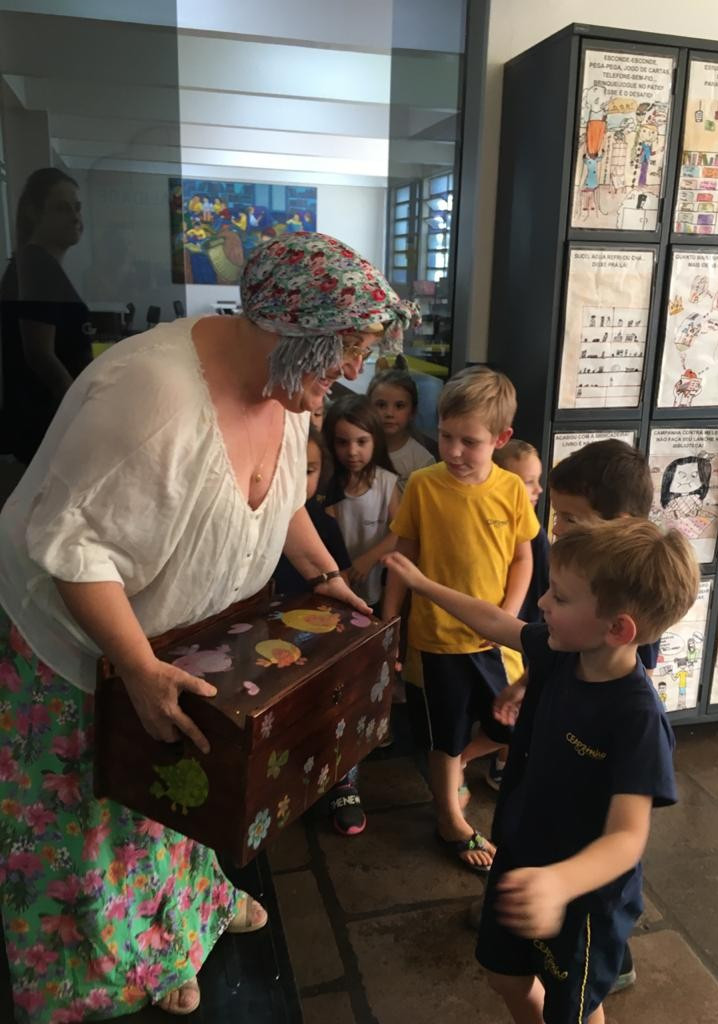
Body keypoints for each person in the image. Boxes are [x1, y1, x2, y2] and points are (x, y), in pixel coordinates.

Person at [0, 231, 418, 1021]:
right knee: (96, 823)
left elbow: (281, 499)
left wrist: (330, 582)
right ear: (292, 330)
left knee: (188, 788)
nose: (347, 376)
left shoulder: (284, 390)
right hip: (83, 647)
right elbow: (72, 550)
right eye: (343, 354)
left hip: (184, 641)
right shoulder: (151, 398)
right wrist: (137, 667)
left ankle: (187, 916)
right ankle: (128, 964)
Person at [383, 518, 699, 1024]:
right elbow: (494, 621)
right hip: (522, 855)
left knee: (572, 1009)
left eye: (560, 597)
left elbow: (627, 837)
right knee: (504, 975)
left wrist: (560, 883)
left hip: (584, 899)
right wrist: (422, 585)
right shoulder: (560, 654)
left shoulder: (637, 718)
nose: (543, 603)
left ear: (617, 629)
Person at [381, 366, 539, 872]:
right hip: (436, 642)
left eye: (469, 442)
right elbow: (403, 558)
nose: (452, 451)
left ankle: (461, 768)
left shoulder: (511, 490)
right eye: (446, 436)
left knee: (514, 723)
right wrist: (389, 626)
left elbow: (523, 557)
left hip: (496, 643)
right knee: (442, 737)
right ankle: (450, 817)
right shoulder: (423, 485)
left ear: (501, 439)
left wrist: (507, 617)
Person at [544, 437, 658, 994]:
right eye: (557, 515)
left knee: (610, 836)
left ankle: (611, 954)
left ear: (621, 526)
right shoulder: (580, 578)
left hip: (605, 750)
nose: (557, 528)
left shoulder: (624, 606)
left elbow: (634, 683)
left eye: (572, 518)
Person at [272, 426, 365, 836]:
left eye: (308, 471)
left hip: (317, 634)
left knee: (335, 701)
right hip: (267, 640)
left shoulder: (323, 523)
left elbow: (336, 575)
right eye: (288, 470)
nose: (298, 483)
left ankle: (344, 777)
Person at [0, 167, 93, 465]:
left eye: (77, 207)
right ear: (33, 213)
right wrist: (79, 412)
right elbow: (40, 355)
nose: (75, 217)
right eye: (62, 208)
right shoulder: (37, 265)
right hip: (46, 427)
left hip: (41, 427)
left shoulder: (33, 264)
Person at [480, 439, 550, 790]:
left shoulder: (533, 531)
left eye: (538, 480)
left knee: (516, 704)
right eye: (528, 482)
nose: (539, 490)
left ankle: (504, 760)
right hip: (506, 630)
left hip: (523, 628)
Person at [323, 394, 400, 610]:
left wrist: (369, 558)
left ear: (376, 440)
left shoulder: (386, 482)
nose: (352, 452)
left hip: (371, 585)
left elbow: (400, 531)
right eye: (342, 442)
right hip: (333, 583)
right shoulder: (326, 483)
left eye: (362, 442)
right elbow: (328, 536)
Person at [367, 366, 435, 491]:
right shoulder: (357, 448)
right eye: (381, 405)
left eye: (399, 406)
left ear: (412, 411)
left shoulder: (422, 461)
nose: (389, 413)